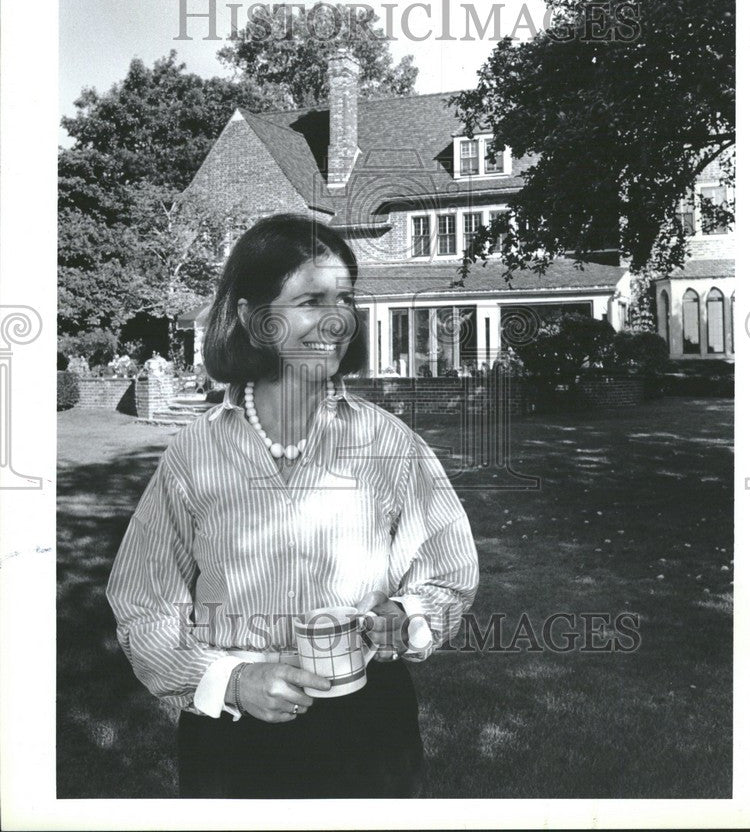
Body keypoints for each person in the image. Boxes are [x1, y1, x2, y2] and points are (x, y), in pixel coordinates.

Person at [106, 213, 479, 799]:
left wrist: (406, 616)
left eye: (345, 299)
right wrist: (230, 679)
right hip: (233, 739)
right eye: (311, 300)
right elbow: (144, 601)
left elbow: (448, 571)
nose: (336, 320)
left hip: (369, 730)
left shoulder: (387, 442)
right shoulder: (193, 451)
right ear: (256, 321)